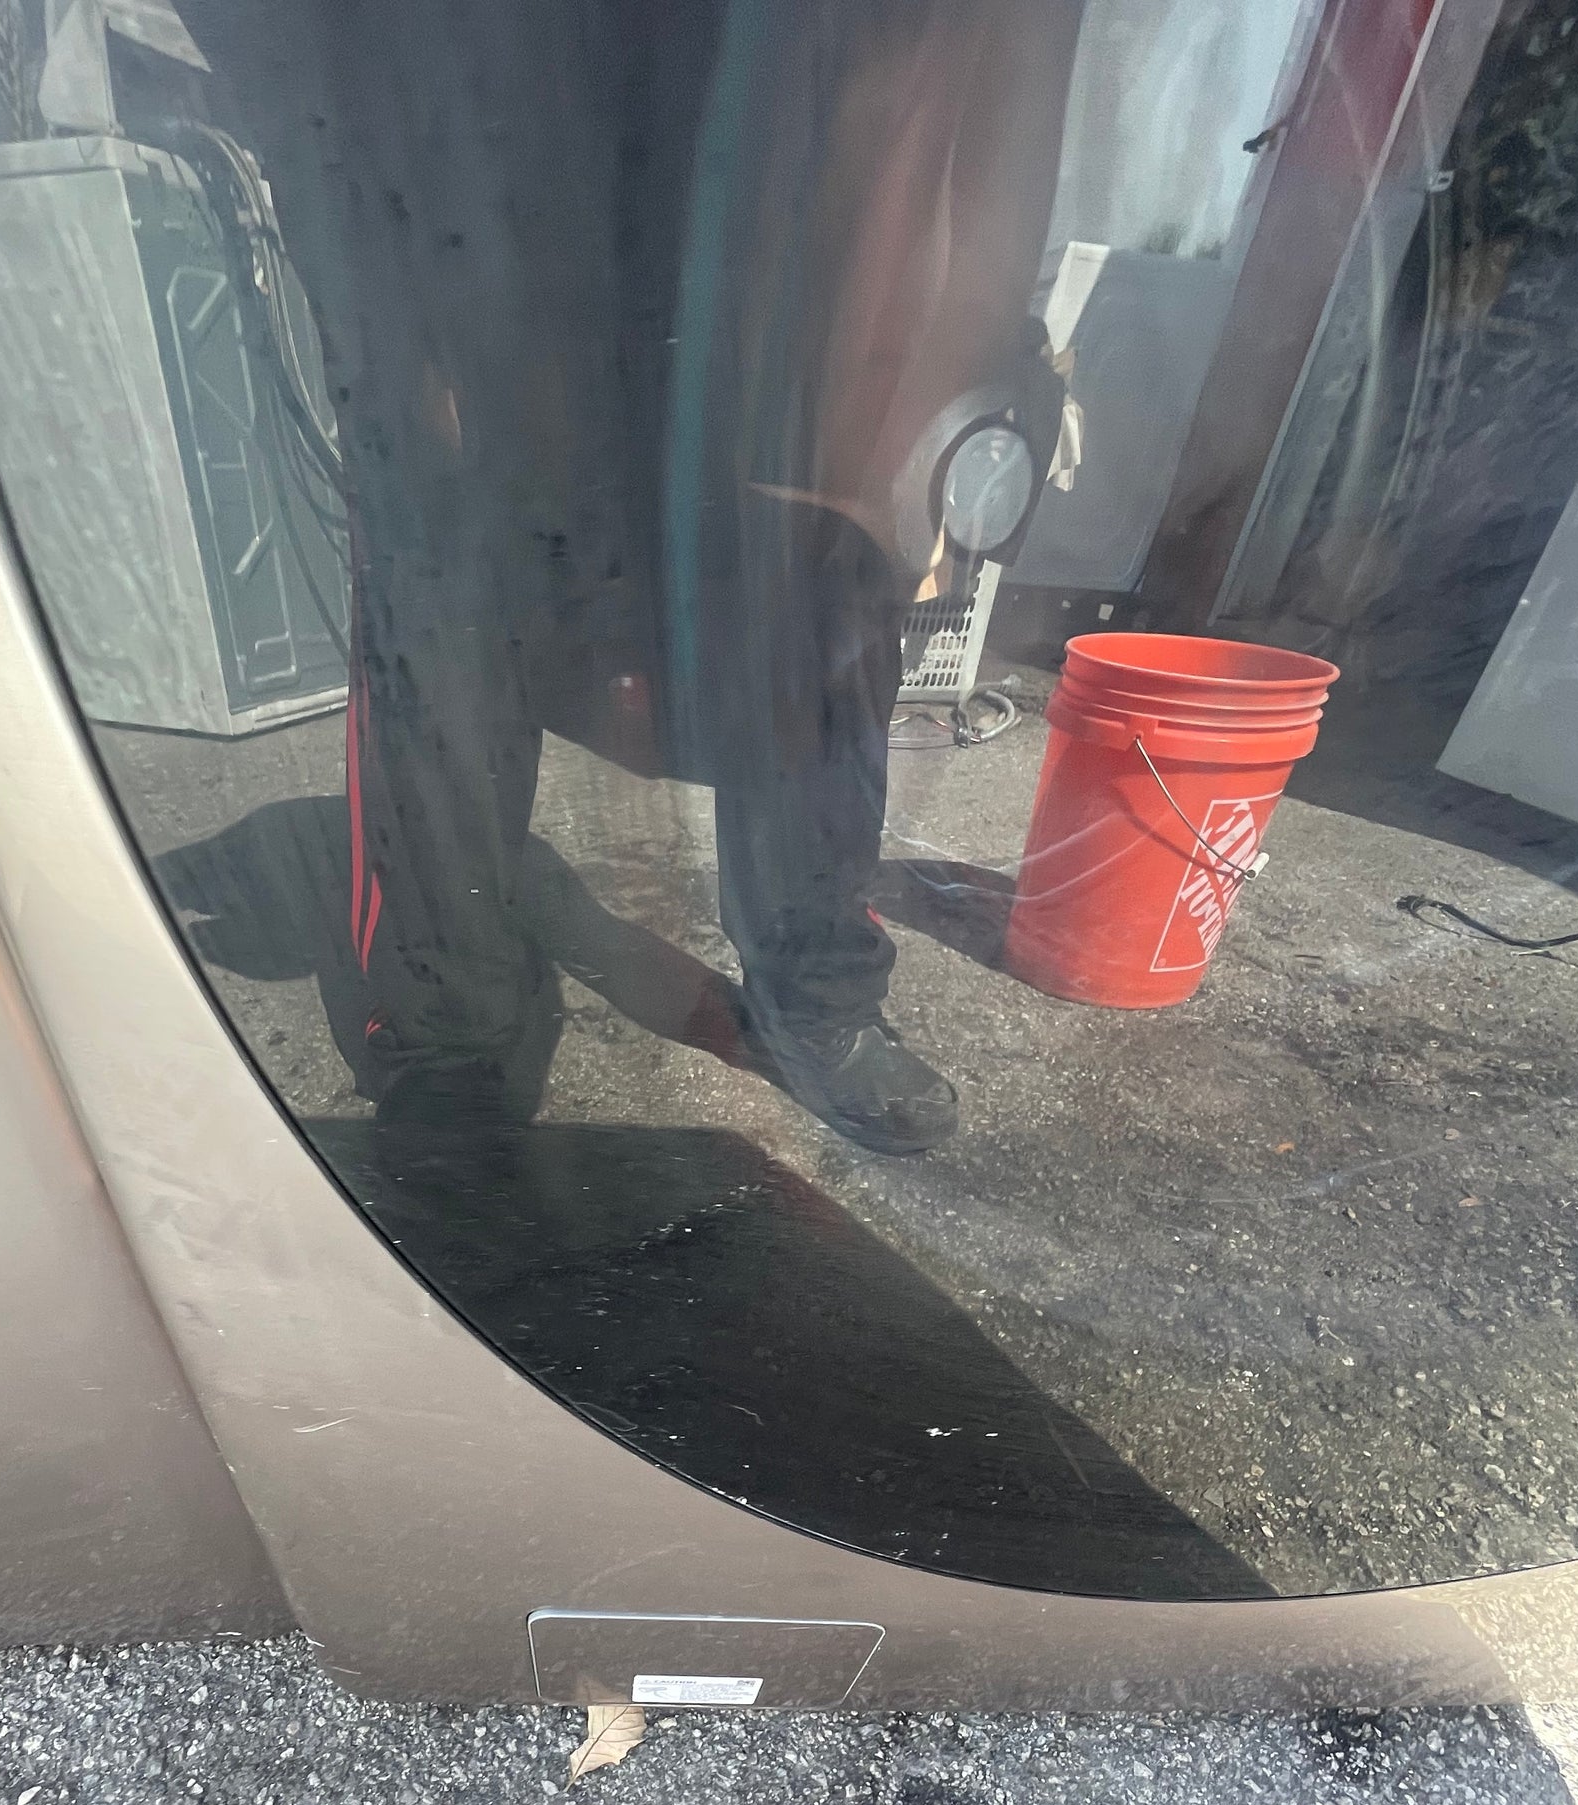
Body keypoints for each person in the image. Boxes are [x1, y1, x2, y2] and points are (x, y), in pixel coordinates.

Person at [191, 0, 1082, 1152]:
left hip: (771, 192)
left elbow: (1002, 50)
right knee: (443, 613)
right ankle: (447, 1031)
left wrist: (972, 338)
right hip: (469, 171)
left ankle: (813, 994)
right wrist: (349, 250)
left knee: (819, 617)